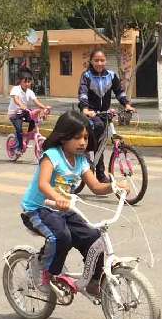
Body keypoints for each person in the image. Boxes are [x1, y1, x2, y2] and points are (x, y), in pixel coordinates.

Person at [20, 110, 128, 296]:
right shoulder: (51, 155)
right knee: (62, 236)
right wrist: (57, 197)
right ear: (63, 137)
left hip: (63, 209)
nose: (83, 142)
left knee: (95, 238)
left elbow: (95, 186)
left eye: (86, 138)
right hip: (38, 209)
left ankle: (95, 281)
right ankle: (45, 271)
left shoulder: (81, 160)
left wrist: (115, 186)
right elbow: (43, 184)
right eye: (77, 138)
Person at [78, 49, 135, 182]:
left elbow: (119, 91)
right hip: (91, 113)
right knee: (98, 133)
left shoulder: (111, 75)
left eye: (102, 60)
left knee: (102, 142)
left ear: (106, 61)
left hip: (104, 113)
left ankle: (99, 171)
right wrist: (85, 109)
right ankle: (90, 159)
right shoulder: (86, 75)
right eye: (96, 60)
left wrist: (126, 104)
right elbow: (83, 93)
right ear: (91, 61)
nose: (99, 63)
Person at [8, 68, 51, 154]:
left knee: (33, 119)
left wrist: (45, 107)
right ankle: (19, 148)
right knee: (19, 130)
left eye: (29, 82)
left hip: (24, 112)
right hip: (14, 114)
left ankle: (28, 135)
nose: (27, 84)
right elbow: (16, 99)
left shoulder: (30, 92)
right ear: (20, 81)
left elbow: (36, 102)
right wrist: (21, 105)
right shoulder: (15, 89)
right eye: (25, 82)